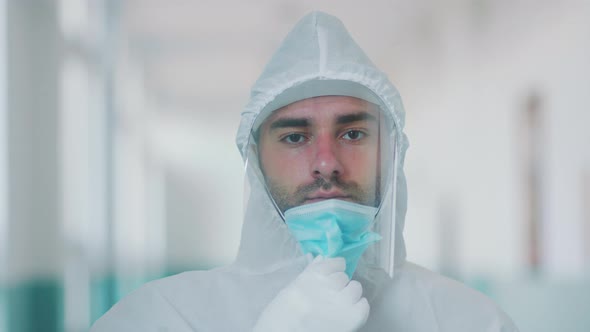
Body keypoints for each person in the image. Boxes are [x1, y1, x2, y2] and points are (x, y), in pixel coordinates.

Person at [91, 11, 519, 332]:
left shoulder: (471, 321)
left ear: (393, 152)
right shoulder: (161, 317)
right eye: (295, 137)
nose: (326, 161)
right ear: (255, 160)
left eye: (353, 133)